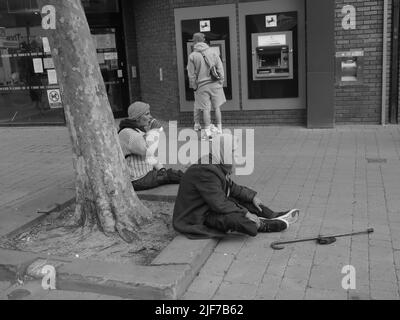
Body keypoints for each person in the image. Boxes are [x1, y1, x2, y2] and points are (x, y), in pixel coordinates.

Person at [173, 133, 300, 239]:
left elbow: (231, 187)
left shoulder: (215, 162)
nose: (234, 155)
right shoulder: (205, 171)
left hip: (208, 207)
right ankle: (262, 224)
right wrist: (246, 213)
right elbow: (220, 204)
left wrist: (251, 197)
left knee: (244, 200)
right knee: (233, 218)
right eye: (232, 151)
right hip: (197, 216)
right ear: (222, 149)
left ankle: (272, 215)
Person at [118, 101, 184, 191]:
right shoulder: (128, 133)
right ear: (138, 117)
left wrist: (161, 169)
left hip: (147, 175)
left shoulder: (138, 130)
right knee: (174, 175)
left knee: (174, 174)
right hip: (137, 179)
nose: (151, 117)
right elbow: (146, 150)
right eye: (147, 114)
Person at [187, 32, 226, 140]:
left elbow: (191, 74)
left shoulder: (192, 56)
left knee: (205, 109)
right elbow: (220, 67)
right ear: (203, 40)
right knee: (217, 107)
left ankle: (208, 133)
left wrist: (194, 86)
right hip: (215, 84)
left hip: (202, 86)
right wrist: (221, 81)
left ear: (195, 41)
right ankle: (219, 129)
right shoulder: (213, 52)